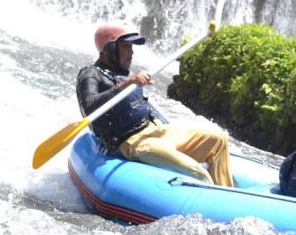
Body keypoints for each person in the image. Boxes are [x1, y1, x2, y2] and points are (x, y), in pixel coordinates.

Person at [76, 22, 233, 187]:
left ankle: (229, 196)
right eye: (126, 47)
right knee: (197, 172)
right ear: (109, 48)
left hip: (156, 131)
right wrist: (127, 84)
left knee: (218, 139)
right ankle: (212, 206)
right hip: (132, 142)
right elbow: (89, 106)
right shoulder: (90, 74)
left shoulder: (125, 73)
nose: (131, 52)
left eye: (131, 47)